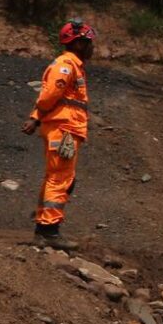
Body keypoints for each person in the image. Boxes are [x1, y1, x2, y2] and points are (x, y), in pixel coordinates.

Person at [20, 19, 96, 251]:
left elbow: (51, 97)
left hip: (67, 128)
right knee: (60, 179)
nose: (92, 47)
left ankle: (45, 222)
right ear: (78, 44)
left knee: (59, 177)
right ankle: (48, 231)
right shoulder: (66, 65)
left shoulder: (73, 65)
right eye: (88, 42)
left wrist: (36, 117)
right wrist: (36, 117)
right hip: (64, 129)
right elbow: (49, 95)